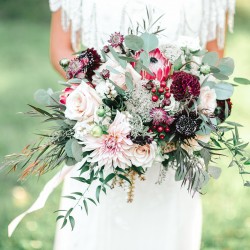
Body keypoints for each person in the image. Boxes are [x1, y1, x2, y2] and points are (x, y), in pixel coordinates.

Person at [49, 1, 236, 249]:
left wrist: (172, 105)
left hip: (172, 140)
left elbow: (214, 57)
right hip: (102, 130)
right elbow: (60, 49)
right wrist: (108, 95)